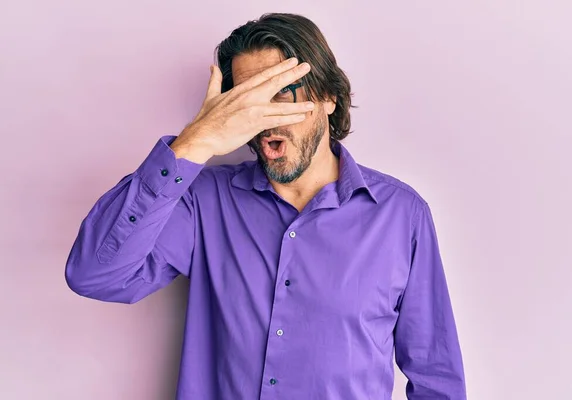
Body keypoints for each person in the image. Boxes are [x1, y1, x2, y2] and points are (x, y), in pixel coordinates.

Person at [65, 12, 466, 400]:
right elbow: (96, 276)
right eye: (248, 100)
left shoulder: (401, 215)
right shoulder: (202, 201)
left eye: (280, 94)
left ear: (328, 96)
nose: (266, 118)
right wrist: (193, 142)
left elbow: (436, 377)